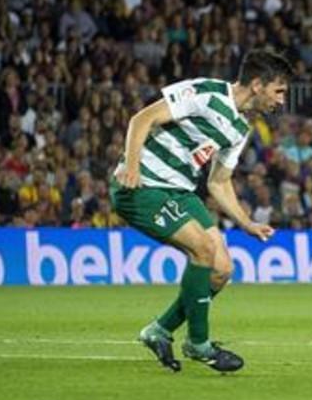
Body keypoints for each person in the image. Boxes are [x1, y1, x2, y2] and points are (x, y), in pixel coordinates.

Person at [113, 48, 291, 373]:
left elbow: (219, 182)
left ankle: (159, 331)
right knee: (205, 249)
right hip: (142, 186)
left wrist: (246, 222)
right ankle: (199, 343)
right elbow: (142, 119)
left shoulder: (241, 129)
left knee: (221, 269)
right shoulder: (206, 93)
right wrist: (133, 167)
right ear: (256, 84)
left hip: (180, 191)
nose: (281, 100)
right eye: (278, 91)